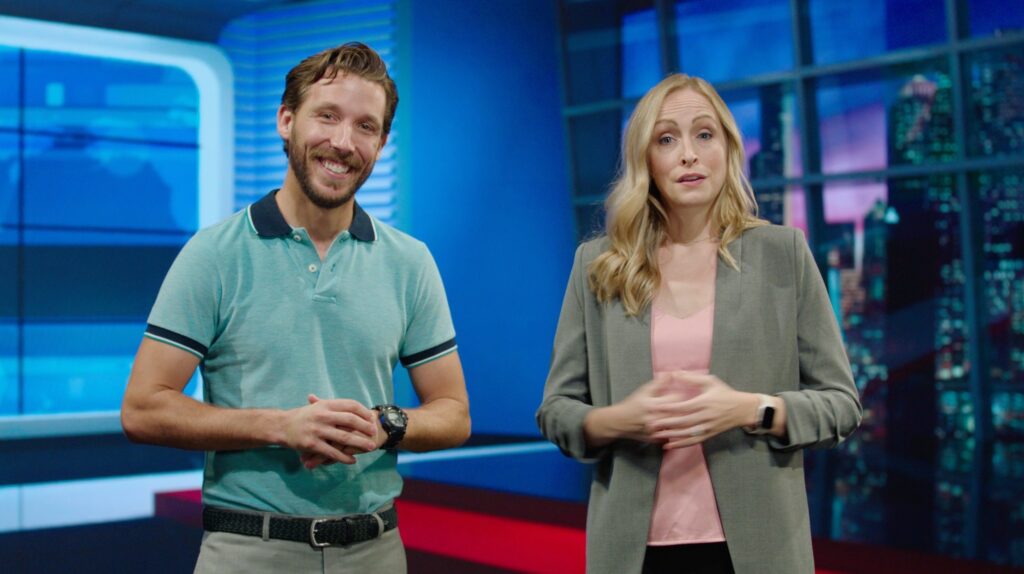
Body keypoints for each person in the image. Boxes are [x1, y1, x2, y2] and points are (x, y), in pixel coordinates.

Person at [121, 42, 470, 573]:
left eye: (365, 127)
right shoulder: (213, 254)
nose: (343, 142)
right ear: (286, 121)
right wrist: (281, 426)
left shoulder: (411, 261)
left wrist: (386, 424)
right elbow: (143, 407)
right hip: (248, 551)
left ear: (381, 143)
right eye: (326, 117)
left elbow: (454, 414)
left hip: (376, 552)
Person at [536, 73, 861, 574]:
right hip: (634, 553)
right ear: (646, 159)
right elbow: (556, 411)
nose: (688, 153)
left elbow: (841, 406)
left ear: (728, 150)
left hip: (758, 550)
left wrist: (749, 409)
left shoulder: (782, 254)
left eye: (704, 134)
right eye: (667, 139)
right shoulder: (597, 264)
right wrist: (619, 420)